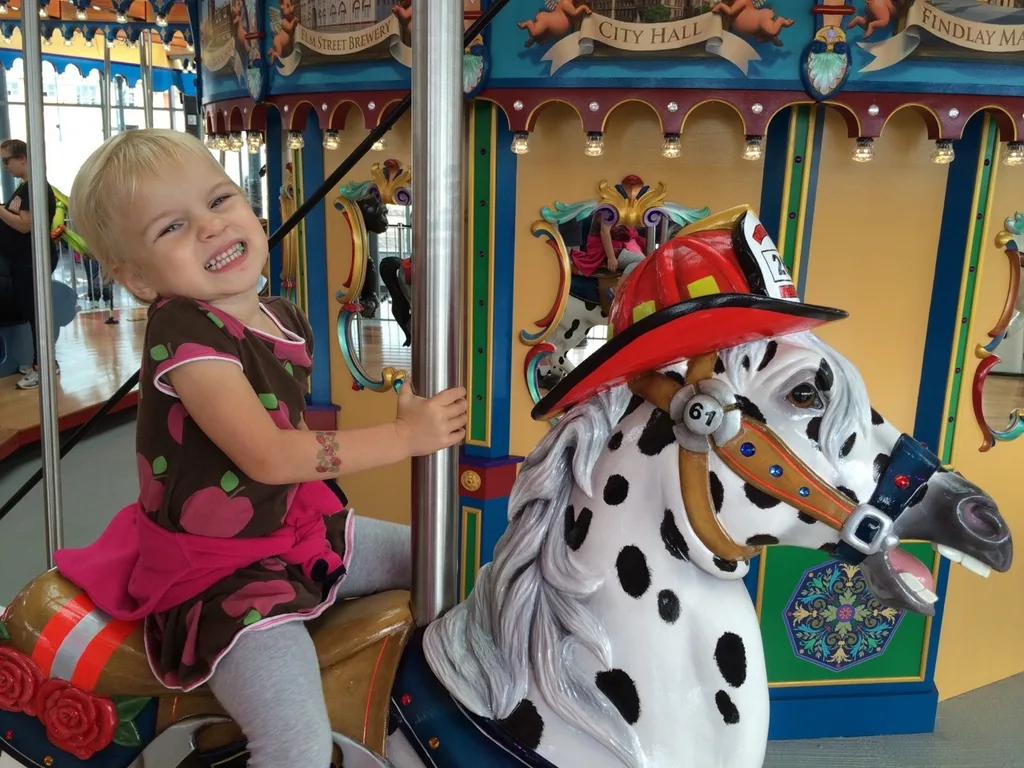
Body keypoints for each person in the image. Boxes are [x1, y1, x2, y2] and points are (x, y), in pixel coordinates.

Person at [57, 129, 468, 768]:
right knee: (295, 745)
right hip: (221, 574)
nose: (210, 228)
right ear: (137, 278)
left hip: (297, 530)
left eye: (219, 200)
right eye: (171, 228)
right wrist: (402, 438)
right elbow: (269, 456)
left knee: (452, 562)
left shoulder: (281, 316)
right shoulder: (184, 331)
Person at [0, 139, 60, 389]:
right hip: (21, 261)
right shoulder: (22, 189)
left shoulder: (35, 188)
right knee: (28, 311)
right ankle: (40, 362)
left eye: (7, 160)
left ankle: (44, 366)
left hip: (32, 260)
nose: (5, 167)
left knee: (37, 314)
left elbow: (26, 225)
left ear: (23, 158)